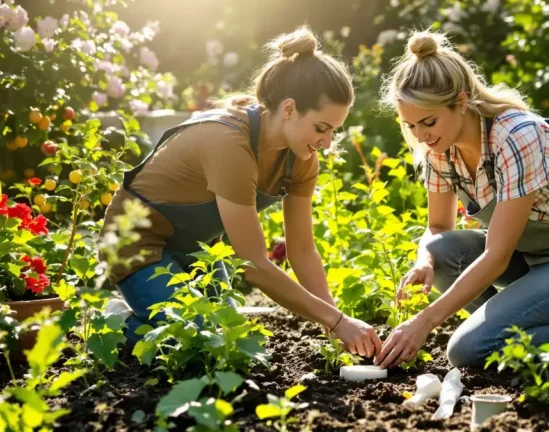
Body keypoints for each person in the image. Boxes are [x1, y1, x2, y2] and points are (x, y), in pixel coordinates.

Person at [100, 26, 381, 358]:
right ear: (289, 109)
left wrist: (335, 324)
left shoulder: (301, 158)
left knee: (228, 342)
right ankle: (112, 325)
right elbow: (253, 264)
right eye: (321, 128)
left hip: (199, 251)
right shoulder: (229, 144)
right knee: (198, 345)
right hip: (138, 245)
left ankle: (146, 319)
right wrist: (338, 321)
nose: (327, 142)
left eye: (334, 131)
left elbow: (303, 250)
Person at [374, 30, 549, 369]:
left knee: (466, 350)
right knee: (442, 254)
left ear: (460, 103)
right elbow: (437, 228)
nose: (420, 136)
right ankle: (507, 331)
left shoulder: (516, 136)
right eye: (411, 125)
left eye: (428, 122)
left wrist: (424, 322)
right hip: (530, 260)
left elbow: (497, 256)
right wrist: (424, 261)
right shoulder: (440, 149)